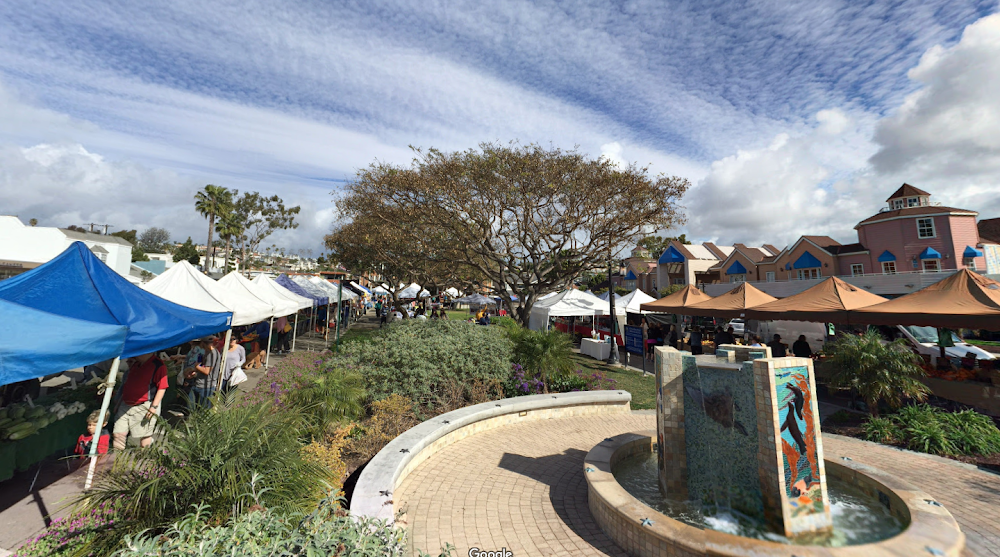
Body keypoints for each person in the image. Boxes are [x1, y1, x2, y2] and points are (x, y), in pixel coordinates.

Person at [113, 352, 168, 450]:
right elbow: (126, 386)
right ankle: (117, 460)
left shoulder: (158, 365)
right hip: (125, 405)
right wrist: (118, 403)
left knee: (144, 440)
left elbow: (162, 387)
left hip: (144, 406)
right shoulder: (135, 364)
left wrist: (153, 407)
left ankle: (146, 459)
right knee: (118, 434)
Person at [190, 336, 221, 408]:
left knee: (203, 409)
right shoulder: (209, 352)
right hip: (200, 383)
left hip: (205, 386)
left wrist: (196, 366)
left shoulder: (212, 354)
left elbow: (207, 371)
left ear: (203, 343)